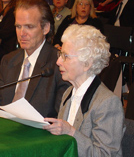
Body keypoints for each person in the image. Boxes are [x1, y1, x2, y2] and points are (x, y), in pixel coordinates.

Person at [43, 24, 125, 157]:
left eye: (65, 56)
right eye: (60, 54)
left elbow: (105, 155)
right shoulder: (68, 93)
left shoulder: (107, 103)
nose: (58, 61)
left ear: (87, 63)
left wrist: (70, 132)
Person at [0, 0, 69, 118]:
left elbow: (61, 117)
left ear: (46, 28)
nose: (22, 33)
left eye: (29, 27)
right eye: (18, 26)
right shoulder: (8, 61)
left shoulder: (59, 64)